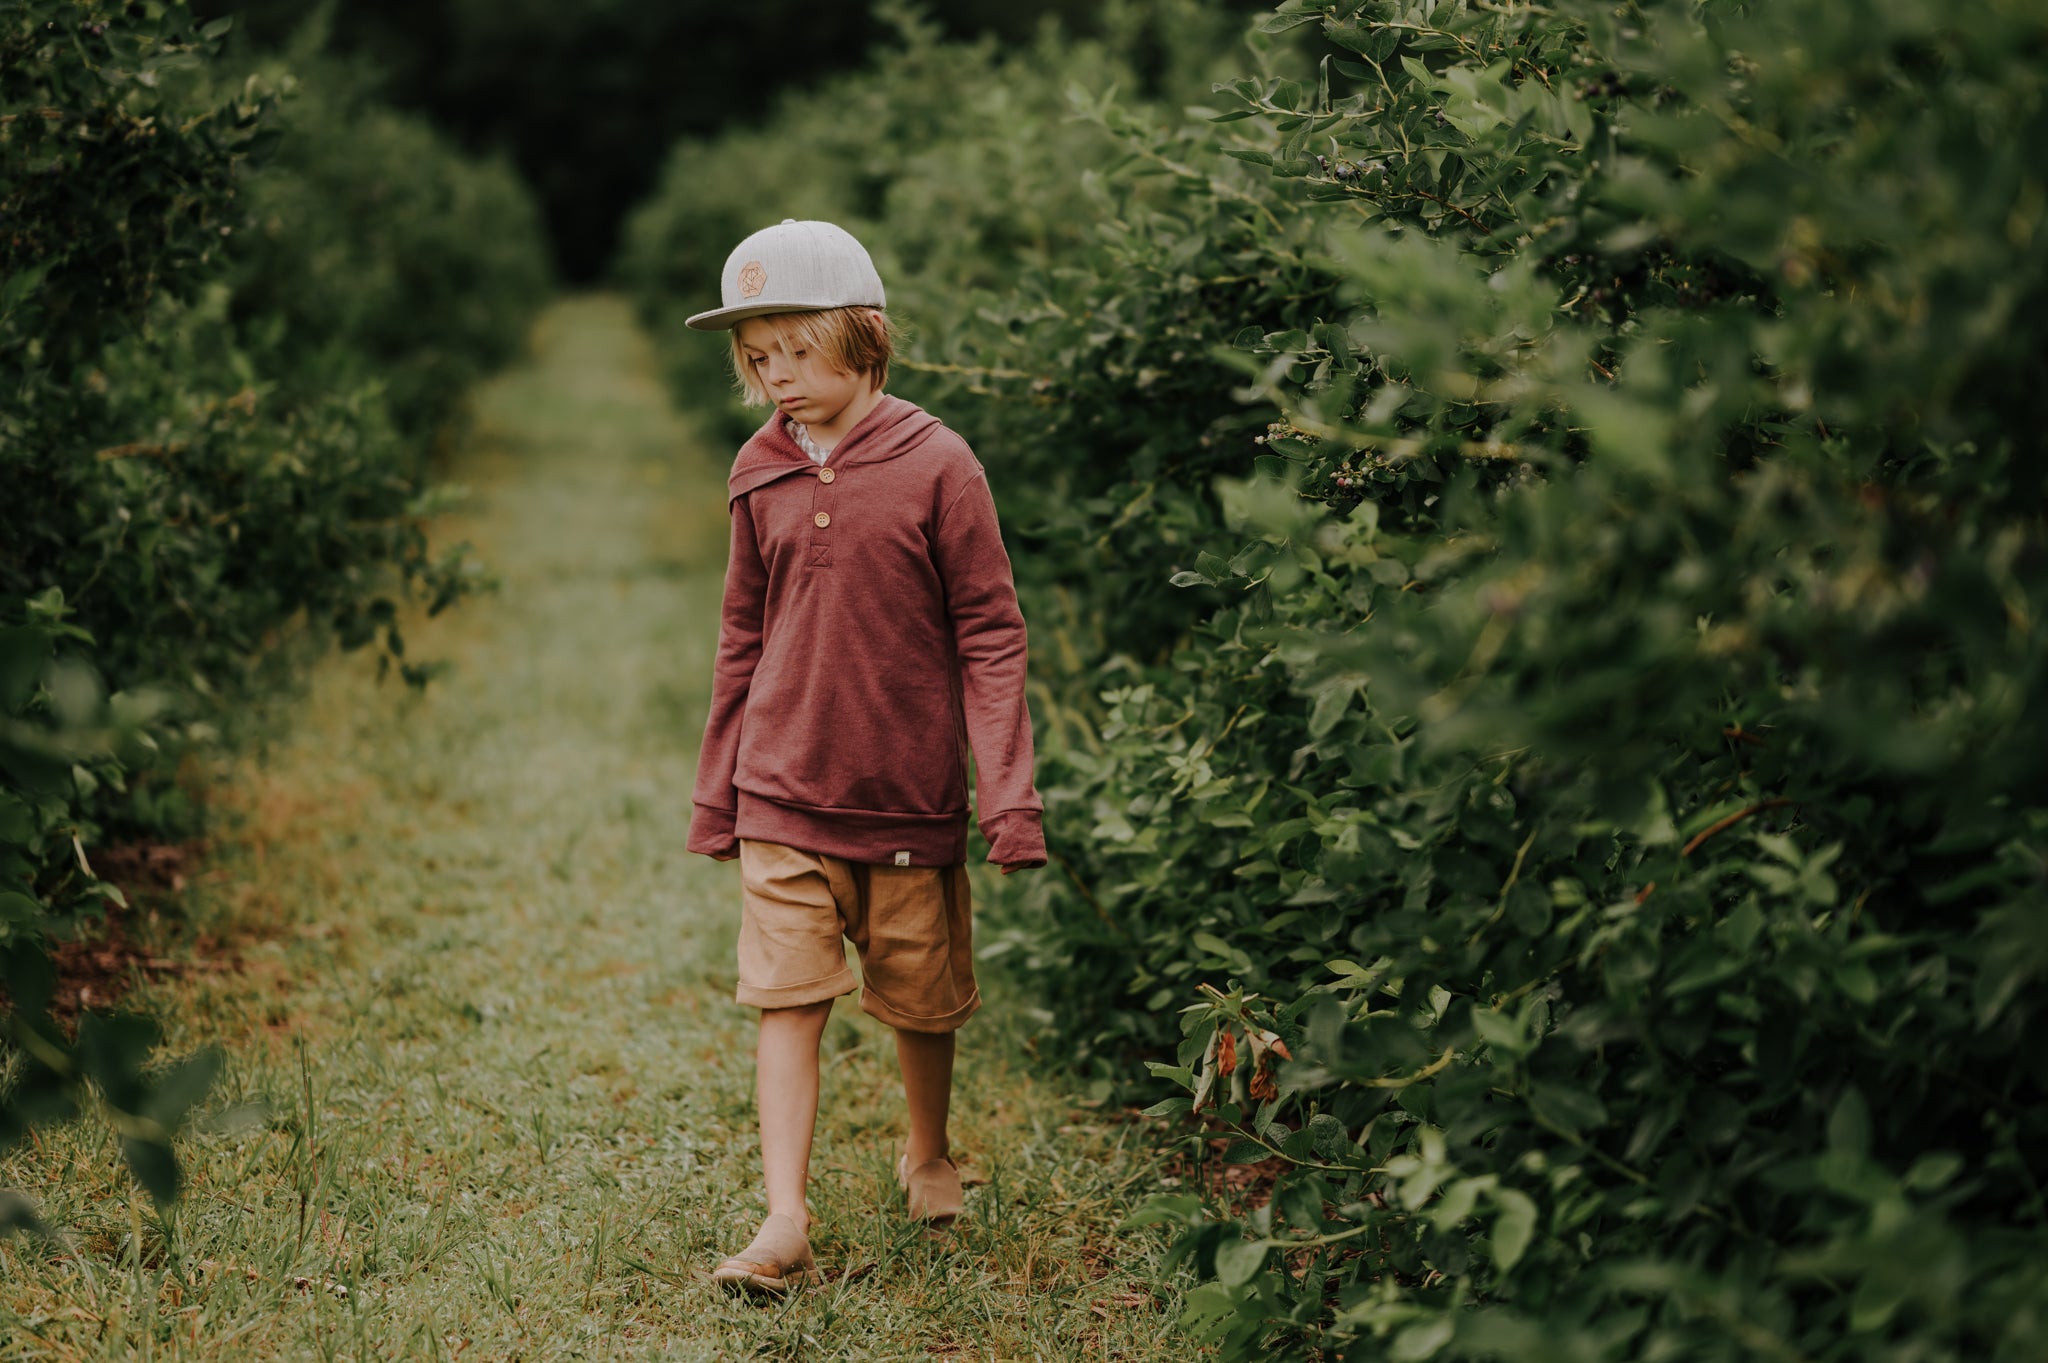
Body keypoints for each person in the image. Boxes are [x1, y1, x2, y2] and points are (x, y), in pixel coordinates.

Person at [681, 219, 1046, 1295]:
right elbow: (741, 634)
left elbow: (989, 631)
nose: (776, 376)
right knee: (786, 998)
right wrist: (719, 791)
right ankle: (783, 1215)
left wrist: (1006, 796)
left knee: (918, 1000)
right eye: (757, 357)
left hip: (903, 797)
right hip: (780, 791)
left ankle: (925, 1149)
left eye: (795, 349)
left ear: (863, 335)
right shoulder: (757, 468)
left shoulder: (938, 462)